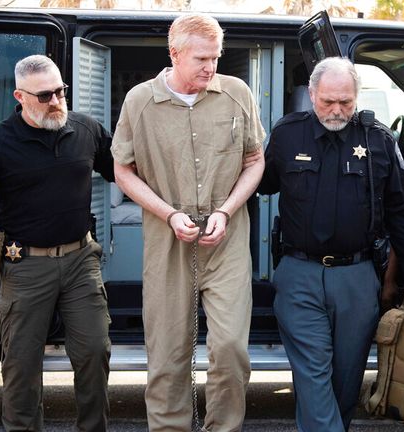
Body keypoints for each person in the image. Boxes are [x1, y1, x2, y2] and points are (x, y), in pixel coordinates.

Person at [111, 13, 266, 432]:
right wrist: (169, 213)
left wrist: (226, 210)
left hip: (227, 239)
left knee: (232, 348)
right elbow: (122, 170)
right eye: (201, 58)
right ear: (174, 53)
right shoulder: (139, 101)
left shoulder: (237, 93)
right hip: (167, 240)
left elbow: (255, 160)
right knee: (167, 355)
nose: (210, 67)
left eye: (215, 57)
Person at [0, 54, 113, 432]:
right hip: (25, 266)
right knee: (20, 365)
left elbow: (124, 171)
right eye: (45, 95)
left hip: (81, 259)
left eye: (61, 91)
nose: (56, 101)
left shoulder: (86, 129)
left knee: (94, 351)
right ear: (20, 96)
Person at [258, 57, 404, 432]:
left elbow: (401, 210)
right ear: (312, 94)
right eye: (328, 101)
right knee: (314, 375)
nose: (337, 110)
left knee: (345, 381)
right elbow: (258, 183)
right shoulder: (287, 135)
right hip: (299, 274)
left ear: (357, 98)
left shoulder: (379, 140)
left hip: (357, 276)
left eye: (346, 103)